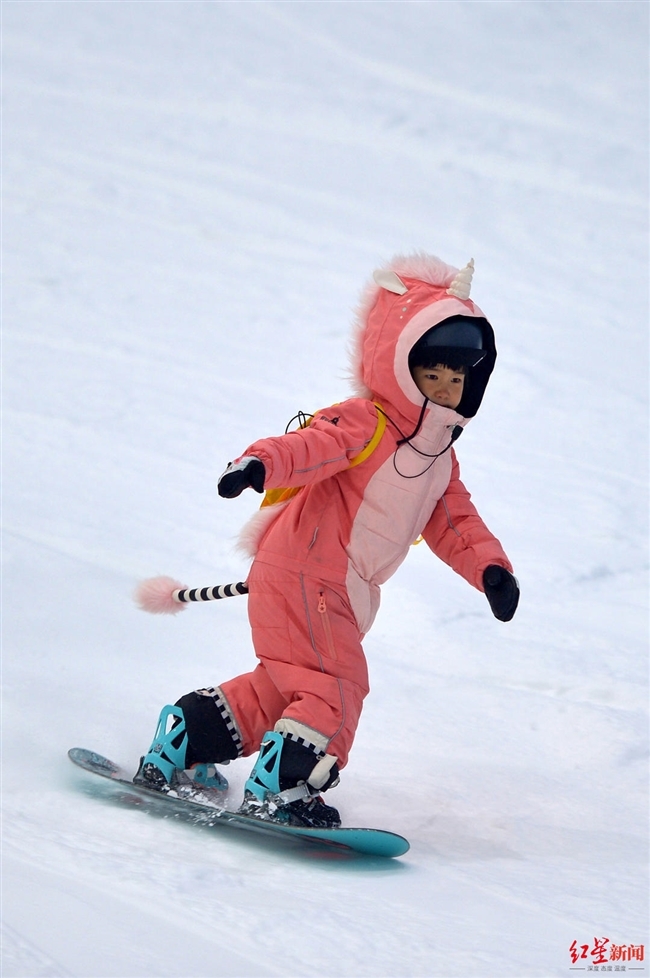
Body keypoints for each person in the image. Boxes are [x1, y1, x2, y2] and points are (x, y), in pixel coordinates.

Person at [134, 252, 520, 828]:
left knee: (285, 687)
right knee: (338, 687)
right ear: (398, 365)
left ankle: (185, 739)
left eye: (456, 378)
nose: (442, 389)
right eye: (429, 373)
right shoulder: (367, 422)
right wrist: (258, 464)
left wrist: (492, 571)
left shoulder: (440, 458)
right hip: (311, 577)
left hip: (315, 582)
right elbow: (311, 445)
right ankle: (285, 786)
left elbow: (457, 523)